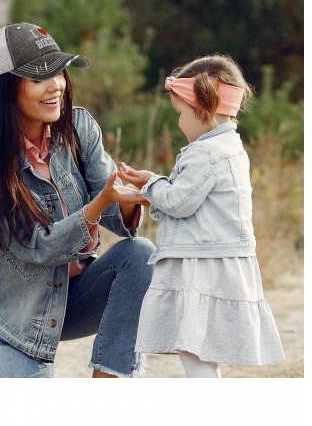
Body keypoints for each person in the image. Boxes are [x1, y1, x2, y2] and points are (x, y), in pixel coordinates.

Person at [0, 22, 154, 378]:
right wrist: (98, 204)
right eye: (38, 77)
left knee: (142, 257)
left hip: (75, 296)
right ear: (4, 88)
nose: (56, 85)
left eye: (58, 71)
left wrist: (125, 198)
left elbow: (114, 214)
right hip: (16, 319)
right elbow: (35, 247)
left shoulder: (78, 128)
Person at [118, 54, 285, 378]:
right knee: (200, 347)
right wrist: (153, 184)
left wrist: (153, 184)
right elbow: (191, 198)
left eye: (181, 114)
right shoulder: (230, 148)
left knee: (193, 345)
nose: (179, 123)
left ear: (203, 110)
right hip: (218, 257)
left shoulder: (206, 153)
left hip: (202, 264)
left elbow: (179, 202)